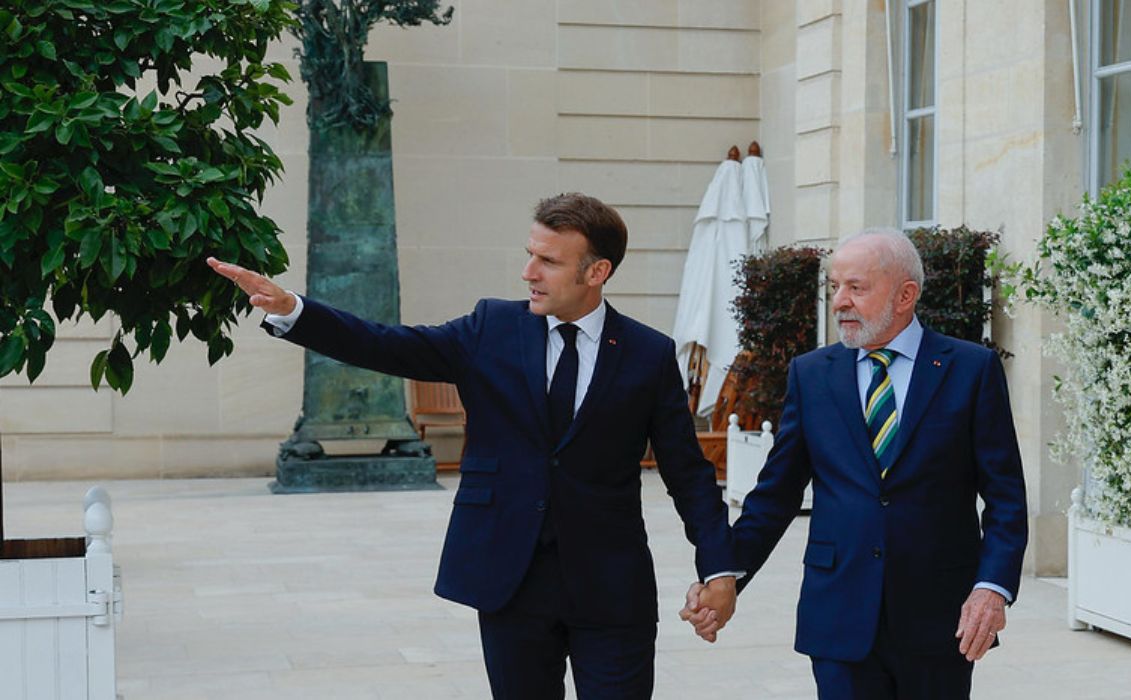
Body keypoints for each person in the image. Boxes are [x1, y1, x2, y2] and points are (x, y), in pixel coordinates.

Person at [208, 192, 737, 700]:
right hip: (510, 581)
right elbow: (385, 344)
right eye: (529, 255)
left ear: (596, 272)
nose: (528, 272)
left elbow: (687, 473)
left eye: (548, 261)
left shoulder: (648, 353)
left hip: (611, 587)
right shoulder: (492, 327)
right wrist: (293, 310)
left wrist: (718, 570)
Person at [683, 228, 1028, 699]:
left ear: (906, 295)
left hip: (939, 618)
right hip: (839, 613)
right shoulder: (811, 375)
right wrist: (726, 574)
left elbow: (1006, 499)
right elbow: (775, 496)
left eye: (855, 287)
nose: (839, 301)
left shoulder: (971, 370)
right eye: (835, 287)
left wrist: (992, 587)